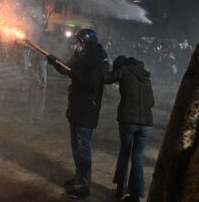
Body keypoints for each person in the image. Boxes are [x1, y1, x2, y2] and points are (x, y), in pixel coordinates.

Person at [46, 28, 109, 199]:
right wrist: (54, 61)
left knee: (83, 148)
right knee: (76, 146)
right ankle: (78, 178)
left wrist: (73, 73)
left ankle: (84, 185)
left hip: (86, 110)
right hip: (76, 108)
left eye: (80, 41)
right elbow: (68, 70)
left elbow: (91, 83)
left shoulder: (96, 59)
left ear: (87, 42)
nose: (77, 44)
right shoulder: (81, 56)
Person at [105, 55, 155, 202]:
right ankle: (135, 195)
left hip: (128, 121)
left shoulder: (123, 70)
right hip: (146, 124)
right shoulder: (146, 77)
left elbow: (105, 78)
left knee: (124, 152)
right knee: (138, 156)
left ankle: (120, 190)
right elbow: (152, 102)